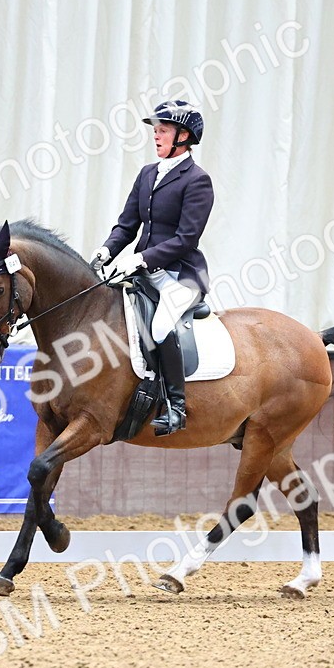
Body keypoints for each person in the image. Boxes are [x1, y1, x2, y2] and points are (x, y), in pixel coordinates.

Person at [91, 100, 213, 436]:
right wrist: (106, 250)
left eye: (163, 130)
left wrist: (143, 258)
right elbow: (127, 224)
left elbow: (187, 238)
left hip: (182, 275)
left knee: (159, 328)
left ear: (183, 136)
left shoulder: (197, 181)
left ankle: (176, 407)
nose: (155, 135)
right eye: (155, 130)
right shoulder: (147, 174)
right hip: (142, 272)